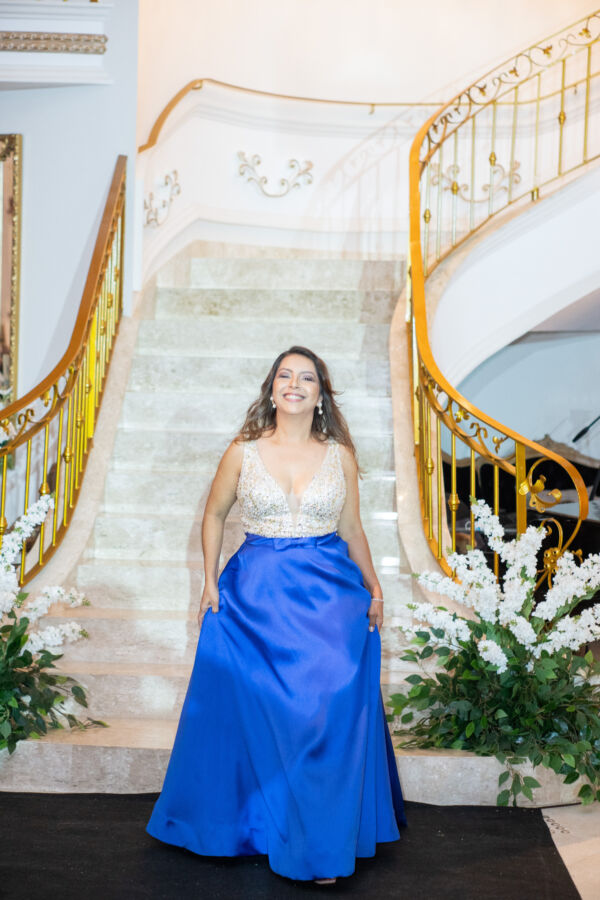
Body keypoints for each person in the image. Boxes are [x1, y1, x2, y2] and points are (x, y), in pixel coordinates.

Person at [146, 345, 406, 884]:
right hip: (255, 597)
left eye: (306, 378)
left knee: (327, 709)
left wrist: (375, 585)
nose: (294, 384)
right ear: (271, 389)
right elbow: (214, 515)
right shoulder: (242, 450)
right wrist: (208, 580)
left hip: (329, 597)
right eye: (285, 375)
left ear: (320, 395)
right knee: (258, 713)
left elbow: (352, 529)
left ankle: (321, 835)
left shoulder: (340, 455)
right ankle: (261, 828)